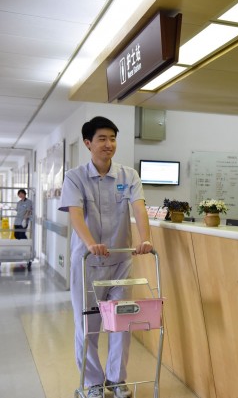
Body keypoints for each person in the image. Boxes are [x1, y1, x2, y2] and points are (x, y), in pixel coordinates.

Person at [59, 116, 153, 398]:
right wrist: (90, 244)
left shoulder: (129, 176)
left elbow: (139, 207)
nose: (109, 144)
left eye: (112, 138)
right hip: (87, 264)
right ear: (88, 143)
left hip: (121, 262)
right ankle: (93, 383)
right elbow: (76, 214)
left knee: (122, 323)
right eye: (102, 139)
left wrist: (145, 238)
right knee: (88, 326)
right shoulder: (75, 177)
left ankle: (116, 379)